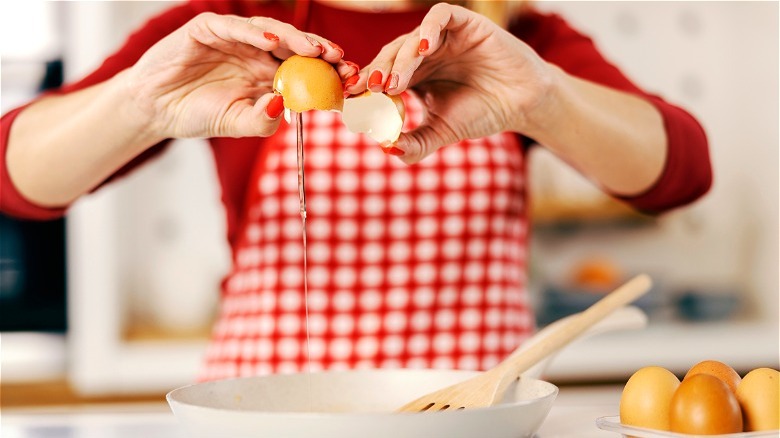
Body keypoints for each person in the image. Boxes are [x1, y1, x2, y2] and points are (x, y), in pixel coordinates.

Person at [0, 0, 711, 381]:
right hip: (274, 413)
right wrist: (139, 104)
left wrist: (543, 98)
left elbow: (679, 172)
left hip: (469, 416)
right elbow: (16, 177)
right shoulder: (235, 21)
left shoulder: (512, 35)